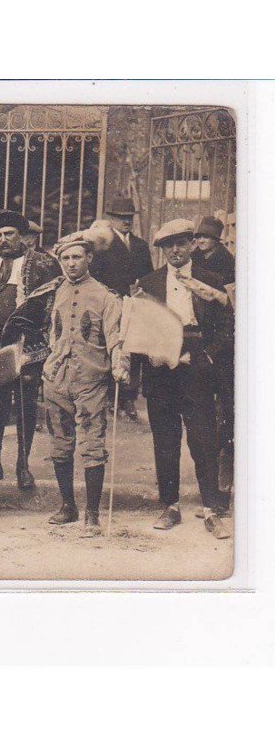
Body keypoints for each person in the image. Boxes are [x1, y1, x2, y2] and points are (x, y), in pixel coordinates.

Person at [136, 219, 234, 539]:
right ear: (162, 250)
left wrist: (206, 356)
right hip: (161, 367)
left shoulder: (211, 280)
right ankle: (170, 505)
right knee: (165, 439)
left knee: (203, 438)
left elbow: (226, 328)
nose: (175, 250)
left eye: (181, 243)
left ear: (192, 244)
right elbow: (140, 327)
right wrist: (150, 353)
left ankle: (210, 508)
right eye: (169, 245)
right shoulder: (148, 283)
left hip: (197, 364)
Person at [39, 230, 129, 537]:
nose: (71, 263)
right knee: (60, 444)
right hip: (56, 380)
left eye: (77, 257)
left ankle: (92, 514)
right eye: (65, 258)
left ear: (89, 258)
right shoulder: (53, 292)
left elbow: (116, 337)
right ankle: (68, 507)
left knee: (92, 445)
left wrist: (118, 364)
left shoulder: (106, 296)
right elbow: (45, 330)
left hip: (91, 380)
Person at [0, 209, 59, 489]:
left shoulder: (42, 264)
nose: (4, 240)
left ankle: (23, 466)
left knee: (24, 405)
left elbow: (53, 303)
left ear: (21, 236)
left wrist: (41, 335)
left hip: (27, 344)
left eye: (9, 234)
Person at [90, 197, 154, 420]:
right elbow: (94, 276)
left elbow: (148, 276)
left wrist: (141, 292)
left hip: (134, 304)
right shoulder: (102, 244)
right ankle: (111, 396)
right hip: (110, 303)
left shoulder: (140, 245)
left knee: (134, 348)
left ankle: (129, 397)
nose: (126, 222)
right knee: (111, 346)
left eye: (129, 218)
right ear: (111, 219)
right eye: (121, 218)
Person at [190, 215, 235, 495]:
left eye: (206, 237)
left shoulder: (227, 263)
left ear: (216, 240)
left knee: (225, 410)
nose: (201, 241)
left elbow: (229, 303)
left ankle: (222, 483)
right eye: (199, 237)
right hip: (201, 334)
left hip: (221, 338)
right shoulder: (194, 259)